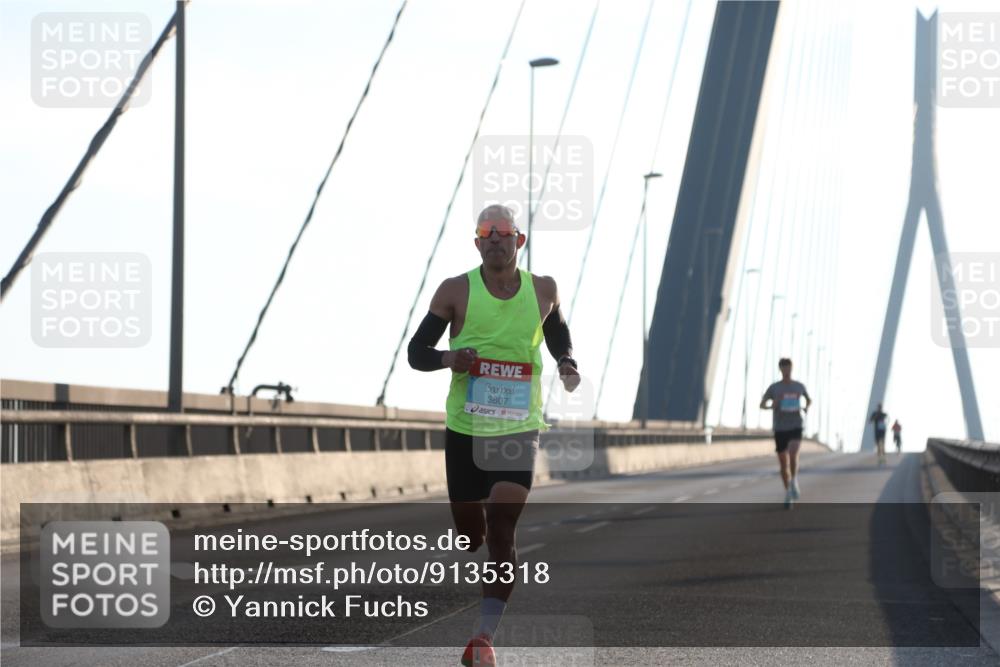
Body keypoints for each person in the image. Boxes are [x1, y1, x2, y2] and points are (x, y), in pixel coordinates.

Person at [408, 204, 580, 667]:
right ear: (477, 241)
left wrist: (567, 362)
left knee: (502, 524)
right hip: (466, 427)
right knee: (470, 536)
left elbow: (557, 332)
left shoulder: (542, 289)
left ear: (518, 241)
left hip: (518, 427)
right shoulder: (455, 291)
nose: (495, 239)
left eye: (504, 232)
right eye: (486, 232)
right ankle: (475, 535)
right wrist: (449, 359)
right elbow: (416, 352)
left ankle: (483, 638)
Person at [760, 358, 812, 509]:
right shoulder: (774, 388)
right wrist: (772, 405)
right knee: (783, 463)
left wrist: (806, 407)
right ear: (780, 369)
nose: (786, 371)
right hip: (780, 428)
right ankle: (788, 491)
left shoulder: (799, 386)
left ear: (792, 368)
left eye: (788, 368)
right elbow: (761, 404)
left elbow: (809, 399)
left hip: (796, 424)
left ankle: (794, 479)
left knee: (793, 453)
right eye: (784, 369)